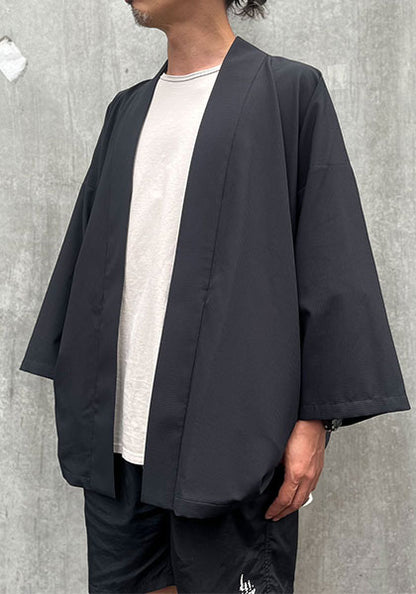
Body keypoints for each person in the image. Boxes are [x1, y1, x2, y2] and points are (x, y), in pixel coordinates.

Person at [19, 0, 411, 592]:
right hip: (117, 445)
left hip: (228, 439)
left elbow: (330, 259)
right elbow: (86, 257)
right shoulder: (127, 110)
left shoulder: (288, 94)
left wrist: (314, 422)